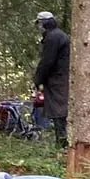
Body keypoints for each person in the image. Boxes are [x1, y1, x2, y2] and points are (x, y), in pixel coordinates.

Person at [33, 11, 70, 149]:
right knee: (60, 110)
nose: (38, 27)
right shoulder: (57, 35)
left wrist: (38, 79)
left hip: (58, 79)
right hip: (60, 77)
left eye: (39, 23)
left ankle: (61, 142)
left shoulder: (53, 37)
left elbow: (47, 61)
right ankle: (62, 141)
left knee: (59, 110)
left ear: (44, 23)